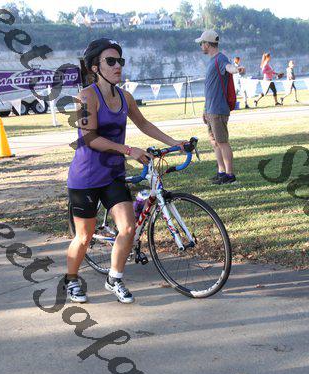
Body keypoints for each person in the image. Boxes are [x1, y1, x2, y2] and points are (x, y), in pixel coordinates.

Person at [66, 38, 185, 304]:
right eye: (110, 61)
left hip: (112, 175)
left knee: (128, 228)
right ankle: (71, 279)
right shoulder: (86, 97)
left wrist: (174, 142)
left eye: (120, 60)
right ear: (95, 67)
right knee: (84, 236)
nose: (117, 66)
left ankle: (114, 279)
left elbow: (144, 124)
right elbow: (89, 138)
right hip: (85, 177)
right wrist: (128, 150)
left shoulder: (124, 96)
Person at [196, 30, 245, 185]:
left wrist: (237, 69)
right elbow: (210, 89)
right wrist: (205, 110)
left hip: (218, 110)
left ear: (207, 44)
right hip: (211, 110)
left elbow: (229, 67)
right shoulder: (212, 61)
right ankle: (221, 172)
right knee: (215, 143)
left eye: (201, 43)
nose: (201, 46)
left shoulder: (220, 58)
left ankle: (230, 175)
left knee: (222, 142)